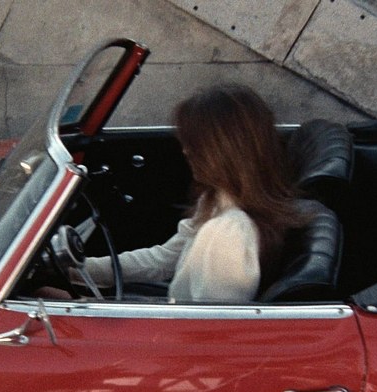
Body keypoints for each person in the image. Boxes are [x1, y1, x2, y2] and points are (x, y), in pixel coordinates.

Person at [82, 84, 308, 302]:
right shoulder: (218, 200)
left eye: (194, 143)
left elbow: (210, 323)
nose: (185, 150)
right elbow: (162, 259)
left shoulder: (228, 233)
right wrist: (81, 269)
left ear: (222, 150)